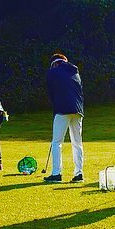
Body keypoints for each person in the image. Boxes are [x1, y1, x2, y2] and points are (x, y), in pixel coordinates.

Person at [44, 53, 85, 183]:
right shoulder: (75, 72)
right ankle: (79, 173)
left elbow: (52, 92)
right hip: (78, 110)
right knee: (77, 143)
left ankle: (56, 173)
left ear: (55, 63)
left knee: (57, 142)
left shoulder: (52, 72)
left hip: (62, 109)